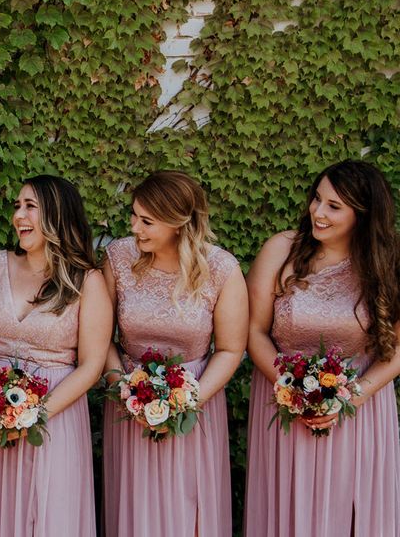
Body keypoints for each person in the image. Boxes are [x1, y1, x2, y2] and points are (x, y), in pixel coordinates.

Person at [245, 159, 400, 536]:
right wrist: (293, 389)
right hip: (282, 401)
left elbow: (397, 350)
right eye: (317, 199)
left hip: (359, 411)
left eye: (334, 206)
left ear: (363, 215)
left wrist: (350, 397)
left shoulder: (389, 262)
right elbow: (252, 331)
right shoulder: (280, 250)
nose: (318, 212)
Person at [0, 174, 113, 537]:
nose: (18, 216)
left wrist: (33, 414)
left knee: (49, 517)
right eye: (17, 206)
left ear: (56, 215)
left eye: (30, 206)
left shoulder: (87, 282)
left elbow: (91, 364)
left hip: (54, 420)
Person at [103, 171, 248, 537]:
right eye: (134, 215)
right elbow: (100, 338)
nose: (135, 227)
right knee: (134, 510)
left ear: (179, 223)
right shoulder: (118, 257)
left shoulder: (220, 269)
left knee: (190, 507)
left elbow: (231, 348)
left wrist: (188, 401)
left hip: (196, 402)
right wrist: (124, 388)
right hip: (128, 403)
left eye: (147, 221)